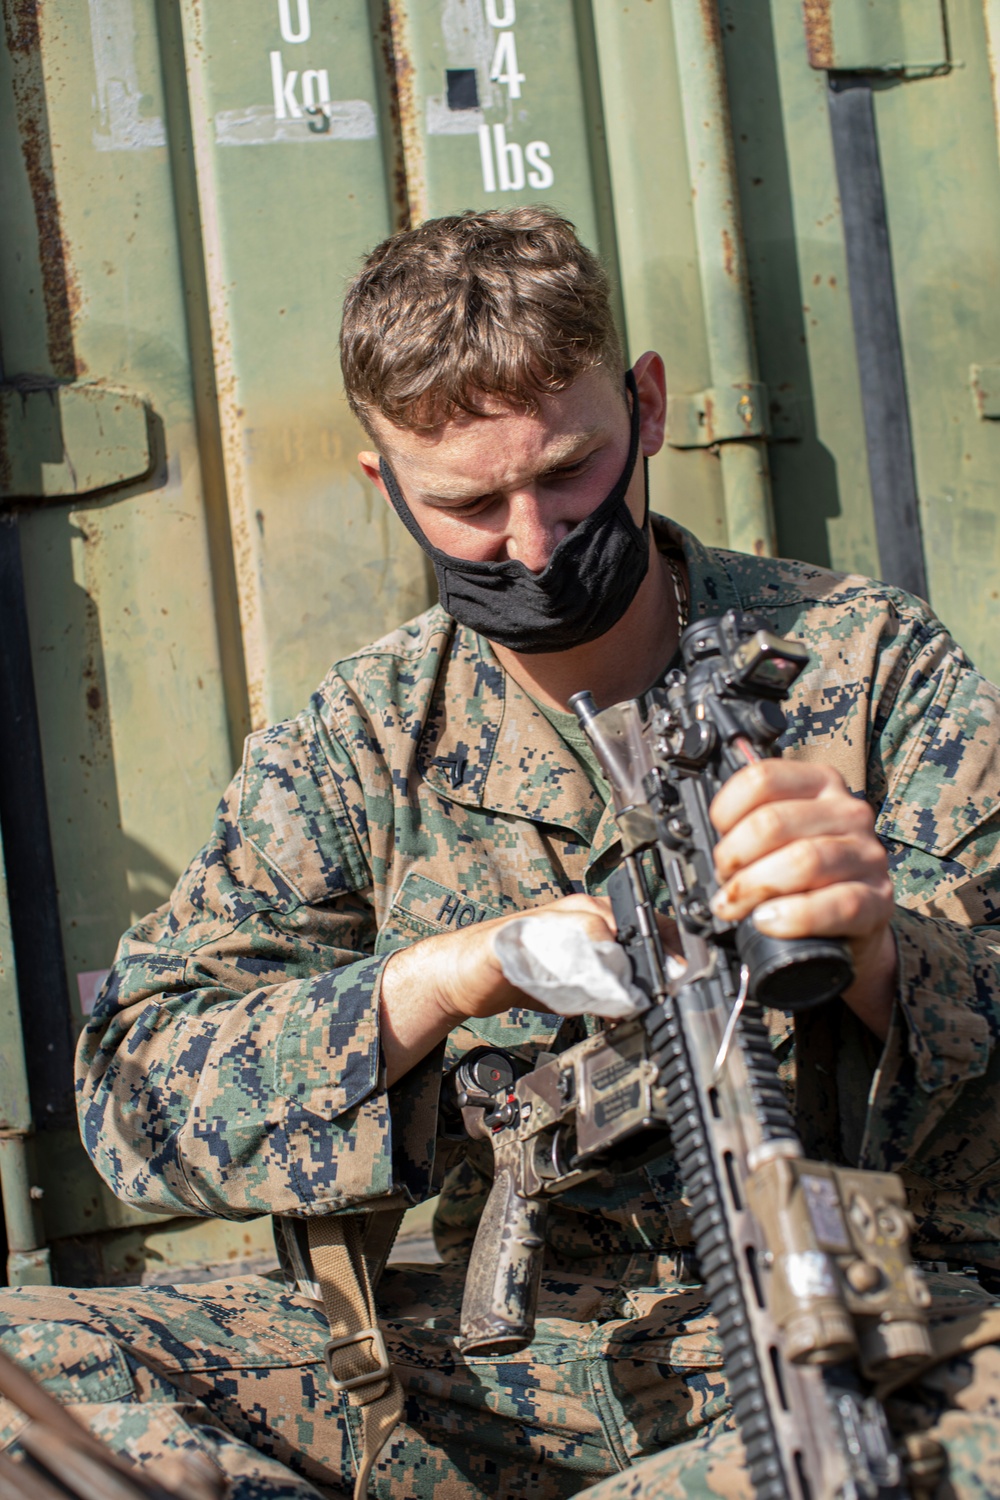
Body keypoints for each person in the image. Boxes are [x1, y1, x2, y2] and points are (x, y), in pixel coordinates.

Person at [2, 207, 1000, 1500]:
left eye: (569, 472)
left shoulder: (866, 668)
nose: (530, 542)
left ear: (645, 407)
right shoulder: (364, 741)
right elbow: (137, 1093)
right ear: (387, 488)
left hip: (869, 1330)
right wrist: (446, 982)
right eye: (468, 503)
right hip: (506, 1366)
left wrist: (879, 952)